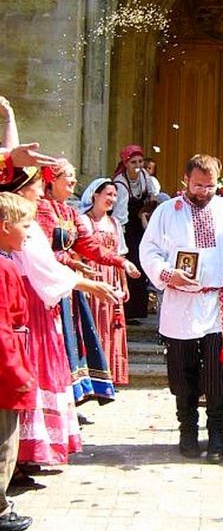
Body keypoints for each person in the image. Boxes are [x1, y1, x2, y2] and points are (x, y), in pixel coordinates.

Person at [140, 154, 223, 464]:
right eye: (197, 185)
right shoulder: (167, 212)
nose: (204, 191)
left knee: (219, 372)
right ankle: (187, 430)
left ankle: (217, 432)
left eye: (210, 186)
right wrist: (167, 273)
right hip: (181, 303)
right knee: (183, 370)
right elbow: (149, 249)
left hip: (217, 305)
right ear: (185, 180)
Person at [1, 168, 118, 469]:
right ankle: (23, 454)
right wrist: (90, 284)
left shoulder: (36, 217)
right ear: (22, 188)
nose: (41, 194)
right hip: (30, 302)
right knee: (33, 371)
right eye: (36, 187)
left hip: (40, 298)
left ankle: (24, 455)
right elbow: (45, 268)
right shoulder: (20, 220)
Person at [36, 159, 139, 405]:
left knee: (73, 341)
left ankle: (71, 398)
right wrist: (70, 262)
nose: (73, 182)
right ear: (52, 179)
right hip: (48, 285)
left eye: (73, 177)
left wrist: (120, 262)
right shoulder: (41, 209)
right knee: (56, 341)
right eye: (68, 177)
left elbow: (89, 246)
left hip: (69, 289)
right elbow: (40, 249)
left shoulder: (69, 212)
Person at [0, 192, 36, 531]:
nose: (30, 231)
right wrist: (18, 372)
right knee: (3, 442)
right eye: (25, 225)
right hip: (3, 370)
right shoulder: (5, 267)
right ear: (5, 226)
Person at [80, 178, 131, 387]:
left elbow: (120, 256)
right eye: (108, 194)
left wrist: (124, 284)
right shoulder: (84, 221)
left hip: (112, 279)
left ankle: (108, 377)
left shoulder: (114, 223)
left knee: (111, 326)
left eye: (114, 195)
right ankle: (92, 377)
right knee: (94, 324)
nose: (112, 199)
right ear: (95, 195)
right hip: (92, 278)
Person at [113, 145, 159, 323]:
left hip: (141, 224)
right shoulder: (120, 184)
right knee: (131, 264)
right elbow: (120, 214)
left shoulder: (144, 177)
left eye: (140, 161)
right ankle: (128, 311)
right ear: (125, 164)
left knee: (142, 263)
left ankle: (139, 310)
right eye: (133, 162)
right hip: (127, 228)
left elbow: (152, 194)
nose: (138, 165)